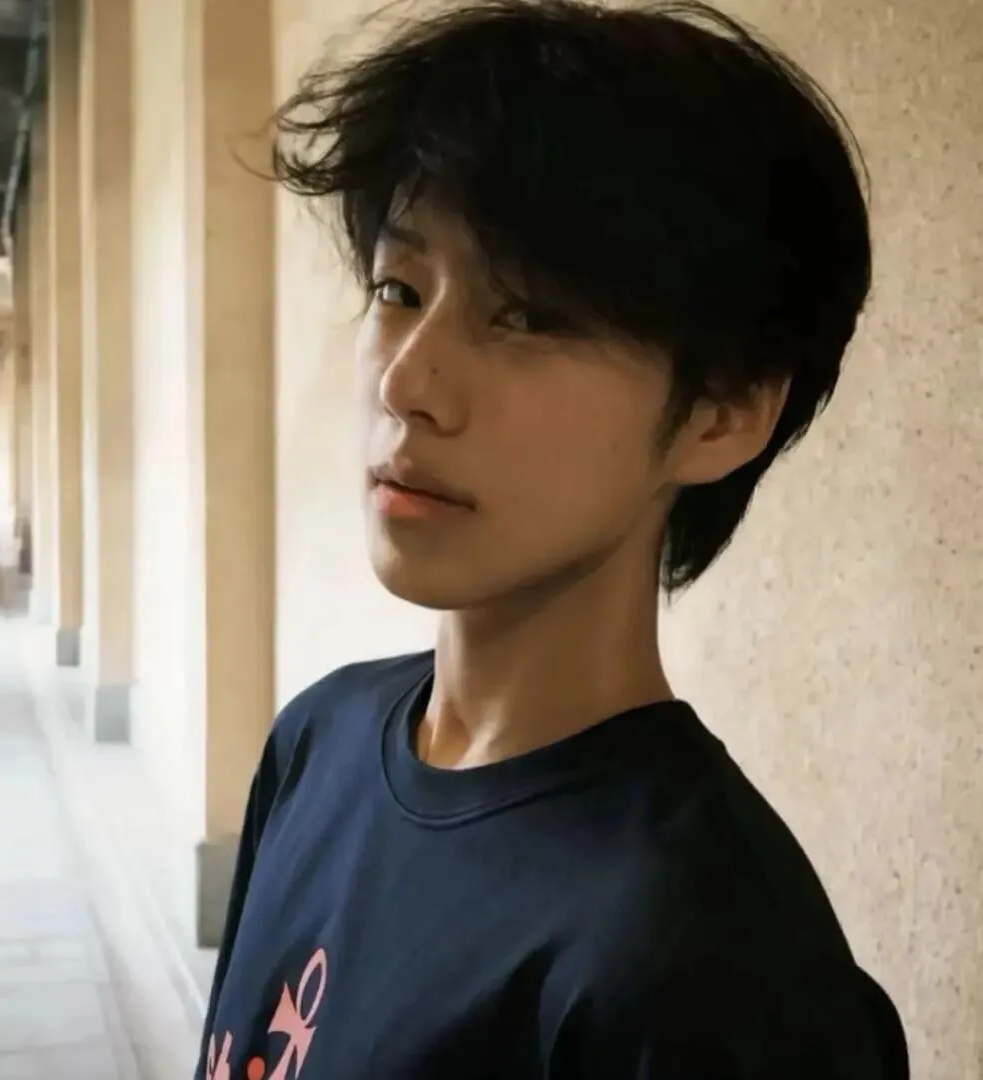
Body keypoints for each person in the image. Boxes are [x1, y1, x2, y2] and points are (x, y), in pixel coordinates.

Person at [196, 2, 909, 1077]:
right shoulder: (316, 743)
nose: (407, 382)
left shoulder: (715, 975)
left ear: (722, 412)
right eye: (399, 289)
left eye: (526, 316)